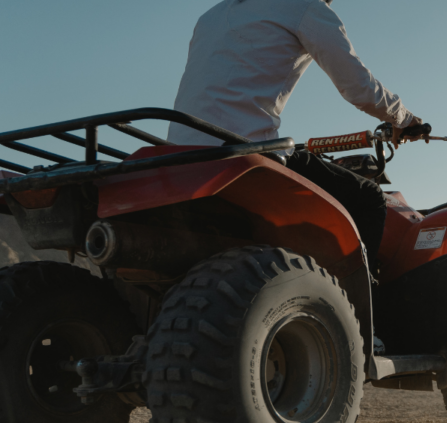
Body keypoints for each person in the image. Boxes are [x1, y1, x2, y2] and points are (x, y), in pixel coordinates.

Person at [166, 0, 425, 272]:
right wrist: (404, 119)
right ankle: (351, 308)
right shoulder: (304, 7)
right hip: (243, 152)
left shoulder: (211, 15)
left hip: (179, 154)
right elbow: (358, 87)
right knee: (368, 198)